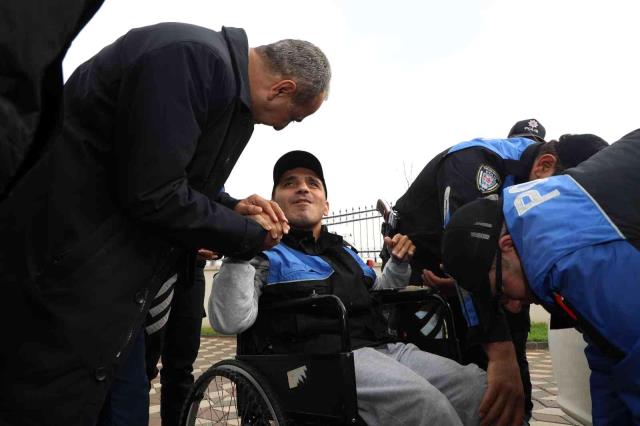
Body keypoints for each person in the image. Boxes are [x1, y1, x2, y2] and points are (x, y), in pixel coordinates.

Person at [0, 22, 330, 425]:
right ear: (283, 89)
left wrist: (232, 207)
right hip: (68, 273)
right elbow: (153, 190)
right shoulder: (189, 59)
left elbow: (175, 178)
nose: (280, 127)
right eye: (292, 118)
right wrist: (250, 235)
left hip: (111, 288)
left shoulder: (216, 82)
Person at [210, 150, 487, 426]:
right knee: (426, 405)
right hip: (321, 361)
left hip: (383, 347)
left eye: (313, 183)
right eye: (289, 183)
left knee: (478, 386)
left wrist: (398, 264)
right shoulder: (265, 252)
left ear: (326, 206)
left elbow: (379, 293)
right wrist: (243, 245)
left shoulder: (344, 251)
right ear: (275, 203)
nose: (303, 188)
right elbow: (229, 320)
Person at [391, 123, 607, 425]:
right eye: (563, 199)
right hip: (425, 280)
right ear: (545, 166)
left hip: (479, 279)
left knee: (511, 379)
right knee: (451, 382)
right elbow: (471, 253)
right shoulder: (473, 164)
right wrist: (499, 351)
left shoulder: (528, 180)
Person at [441, 128, 640, 426]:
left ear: (506, 246)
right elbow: (608, 354)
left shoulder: (568, 259)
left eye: (501, 293)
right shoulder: (540, 223)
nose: (510, 306)